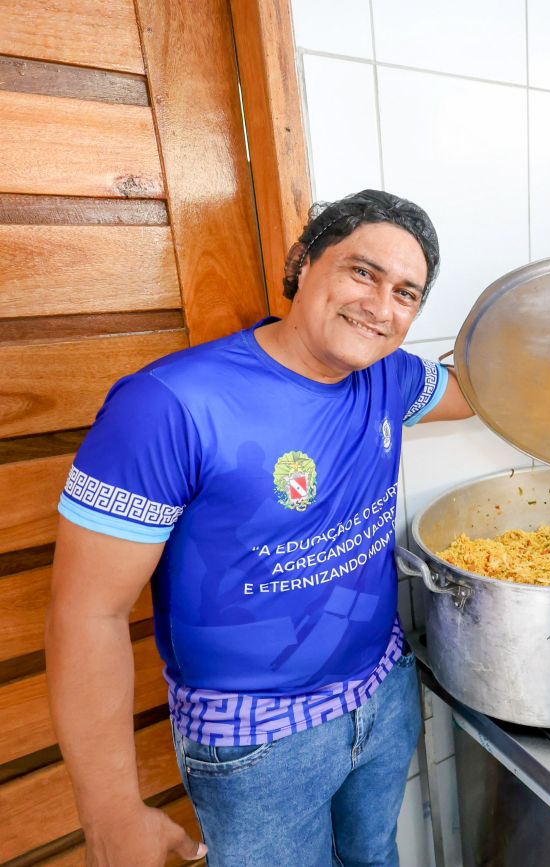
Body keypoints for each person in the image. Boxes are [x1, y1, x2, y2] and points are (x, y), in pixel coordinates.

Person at [46, 190, 475, 867]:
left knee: (375, 857)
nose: (381, 305)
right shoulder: (169, 405)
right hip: (258, 743)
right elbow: (86, 613)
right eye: (362, 272)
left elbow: (480, 387)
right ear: (303, 261)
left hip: (384, 690)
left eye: (406, 293)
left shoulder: (390, 376)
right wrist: (111, 814)